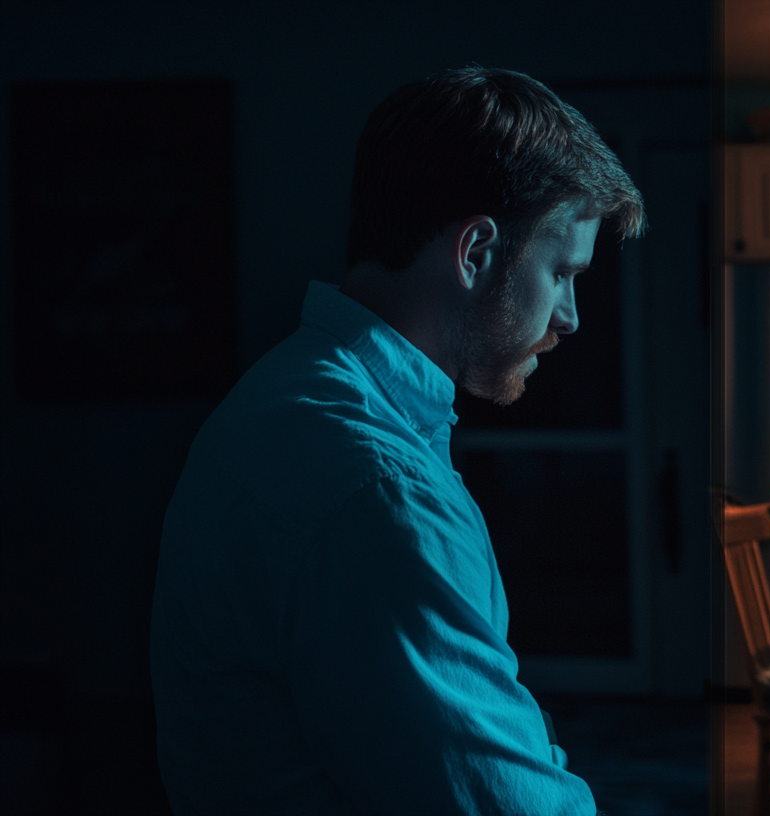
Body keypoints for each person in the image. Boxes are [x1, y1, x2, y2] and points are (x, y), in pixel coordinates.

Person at [150, 67, 644, 815]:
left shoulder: (286, 393)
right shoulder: (379, 490)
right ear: (476, 252)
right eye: (562, 271)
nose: (570, 315)